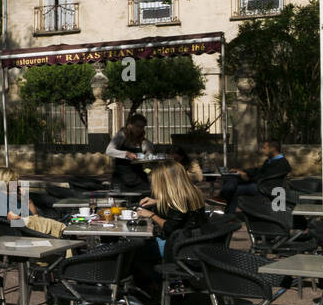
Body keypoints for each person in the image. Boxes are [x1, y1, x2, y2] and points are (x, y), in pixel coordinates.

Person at [134, 160, 209, 289]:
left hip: (178, 246)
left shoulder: (178, 200)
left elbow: (169, 227)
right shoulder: (193, 192)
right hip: (194, 243)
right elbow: (181, 215)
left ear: (165, 181)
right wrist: (157, 201)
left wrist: (151, 215)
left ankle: (162, 283)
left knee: (133, 250)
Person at [214, 139, 291, 214]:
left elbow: (265, 177)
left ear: (273, 148)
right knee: (233, 177)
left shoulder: (282, 163)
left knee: (236, 189)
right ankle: (224, 201)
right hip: (259, 183)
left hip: (265, 187)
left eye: (265, 148)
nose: (263, 150)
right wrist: (242, 171)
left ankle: (225, 203)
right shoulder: (270, 160)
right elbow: (258, 171)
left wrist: (248, 178)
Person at [0, 167, 65, 238]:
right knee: (62, 229)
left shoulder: (13, 196)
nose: (18, 183)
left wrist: (27, 200)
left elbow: (34, 215)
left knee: (62, 230)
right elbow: (12, 217)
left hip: (30, 228)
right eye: (15, 181)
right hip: (22, 231)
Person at [106, 112, 152, 192]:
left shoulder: (143, 141)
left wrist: (148, 156)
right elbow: (109, 151)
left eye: (142, 127)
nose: (139, 129)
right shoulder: (122, 135)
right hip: (121, 177)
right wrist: (126, 154)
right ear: (130, 125)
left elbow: (148, 157)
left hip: (138, 177)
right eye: (137, 126)